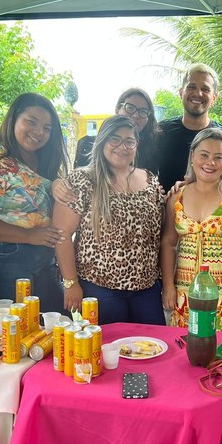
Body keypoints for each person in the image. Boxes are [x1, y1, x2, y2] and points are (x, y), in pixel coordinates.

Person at [53, 115, 165, 325]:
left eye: (129, 141)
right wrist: (70, 283)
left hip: (146, 289)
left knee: (152, 350)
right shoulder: (82, 180)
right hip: (100, 288)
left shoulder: (150, 180)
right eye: (115, 139)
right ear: (102, 141)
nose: (122, 146)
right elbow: (62, 235)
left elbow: (164, 229)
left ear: (136, 145)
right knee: (104, 351)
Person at [0, 93, 67, 312]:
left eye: (47, 128)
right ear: (14, 120)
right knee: (17, 331)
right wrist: (29, 235)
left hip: (43, 258)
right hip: (3, 260)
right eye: (31, 122)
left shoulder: (42, 161)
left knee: (55, 326)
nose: (39, 132)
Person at [161, 128, 222, 339]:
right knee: (185, 353)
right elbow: (169, 243)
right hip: (186, 292)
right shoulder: (176, 197)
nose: (210, 163)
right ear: (192, 156)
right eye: (204, 155)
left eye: (218, 157)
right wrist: (168, 286)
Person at [156, 64, 222, 191]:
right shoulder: (160, 132)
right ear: (181, 93)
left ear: (214, 98)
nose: (198, 93)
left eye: (205, 89)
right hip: (167, 209)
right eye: (191, 87)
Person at [74, 88, 158, 172]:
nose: (136, 115)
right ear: (117, 109)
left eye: (143, 111)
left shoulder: (152, 149)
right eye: (130, 108)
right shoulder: (88, 144)